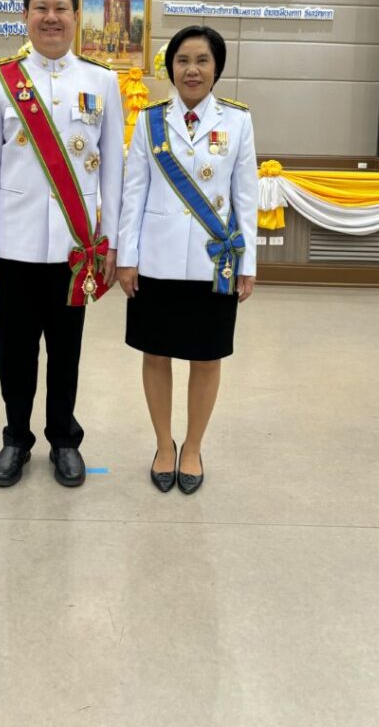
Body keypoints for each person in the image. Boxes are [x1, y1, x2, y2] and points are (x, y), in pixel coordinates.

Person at [0, 0, 125, 488]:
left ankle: (64, 440)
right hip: (14, 244)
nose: (51, 17)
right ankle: (16, 438)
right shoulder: (0, 79)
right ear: (26, 16)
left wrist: (111, 242)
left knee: (66, 351)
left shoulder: (101, 82)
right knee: (14, 351)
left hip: (75, 249)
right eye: (41, 8)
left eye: (61, 8)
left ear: (77, 17)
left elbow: (113, 171)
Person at [116, 26, 258, 494]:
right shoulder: (150, 121)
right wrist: (127, 257)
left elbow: (245, 197)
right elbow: (133, 194)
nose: (192, 70)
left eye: (202, 60)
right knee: (155, 352)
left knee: (207, 356)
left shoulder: (238, 121)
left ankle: (193, 446)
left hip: (212, 262)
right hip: (155, 259)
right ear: (170, 67)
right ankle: (163, 444)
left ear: (217, 68)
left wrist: (248, 264)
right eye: (182, 60)